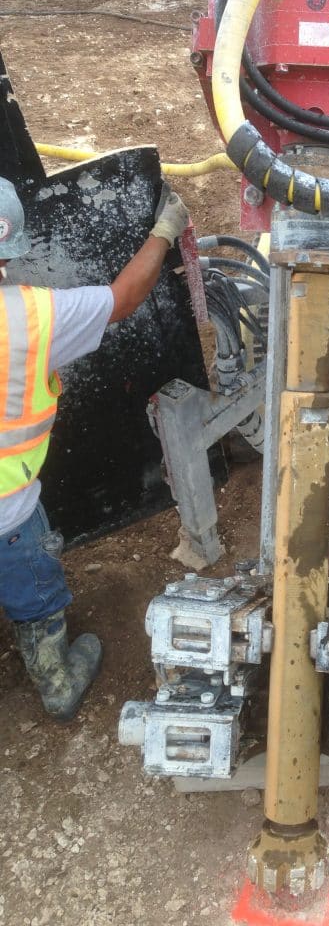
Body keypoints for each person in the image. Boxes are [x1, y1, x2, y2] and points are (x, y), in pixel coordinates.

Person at [0, 176, 190, 722]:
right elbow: (123, 299)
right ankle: (56, 678)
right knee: (35, 595)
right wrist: (164, 230)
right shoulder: (32, 317)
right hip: (8, 514)